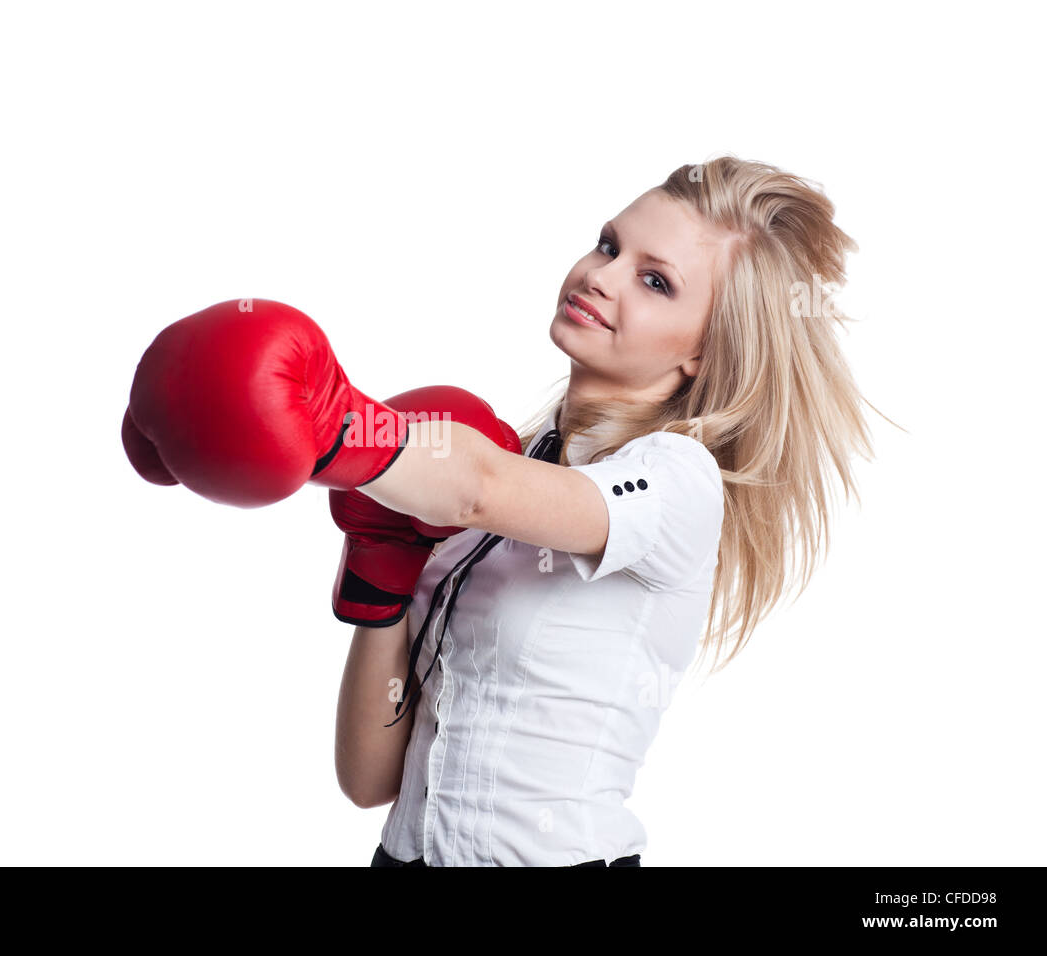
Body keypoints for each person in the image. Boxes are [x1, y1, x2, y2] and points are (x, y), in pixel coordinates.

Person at [121, 154, 894, 866]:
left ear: (703, 351)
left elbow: (477, 486)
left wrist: (332, 427)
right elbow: (367, 779)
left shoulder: (674, 484)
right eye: (607, 245)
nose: (601, 275)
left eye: (655, 281)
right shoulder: (503, 470)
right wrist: (379, 577)